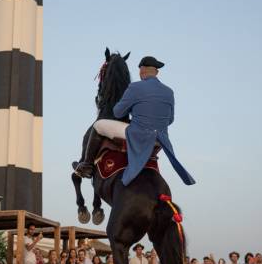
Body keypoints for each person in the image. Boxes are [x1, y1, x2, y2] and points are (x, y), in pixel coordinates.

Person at [75, 56, 196, 188]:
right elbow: (170, 120)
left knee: (98, 125)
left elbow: (118, 113)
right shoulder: (169, 91)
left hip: (139, 134)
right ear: (156, 72)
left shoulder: (135, 87)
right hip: (160, 140)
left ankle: (86, 165)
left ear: (141, 71)